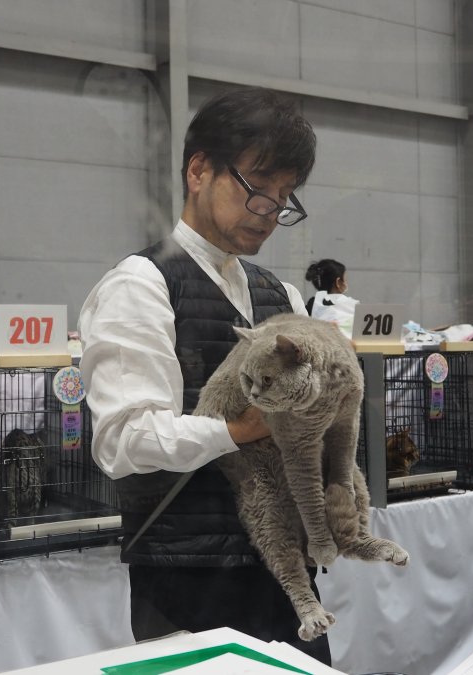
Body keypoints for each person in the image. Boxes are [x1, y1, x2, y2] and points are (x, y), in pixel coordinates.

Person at [79, 87, 329, 663]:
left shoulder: (280, 294)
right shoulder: (140, 285)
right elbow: (124, 441)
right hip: (189, 576)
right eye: (257, 188)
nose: (269, 213)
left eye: (284, 197)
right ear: (199, 171)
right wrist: (240, 430)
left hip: (284, 567)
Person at [304, 258, 358, 338]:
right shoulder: (351, 305)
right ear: (338, 282)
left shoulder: (312, 304)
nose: (346, 283)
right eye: (345, 280)